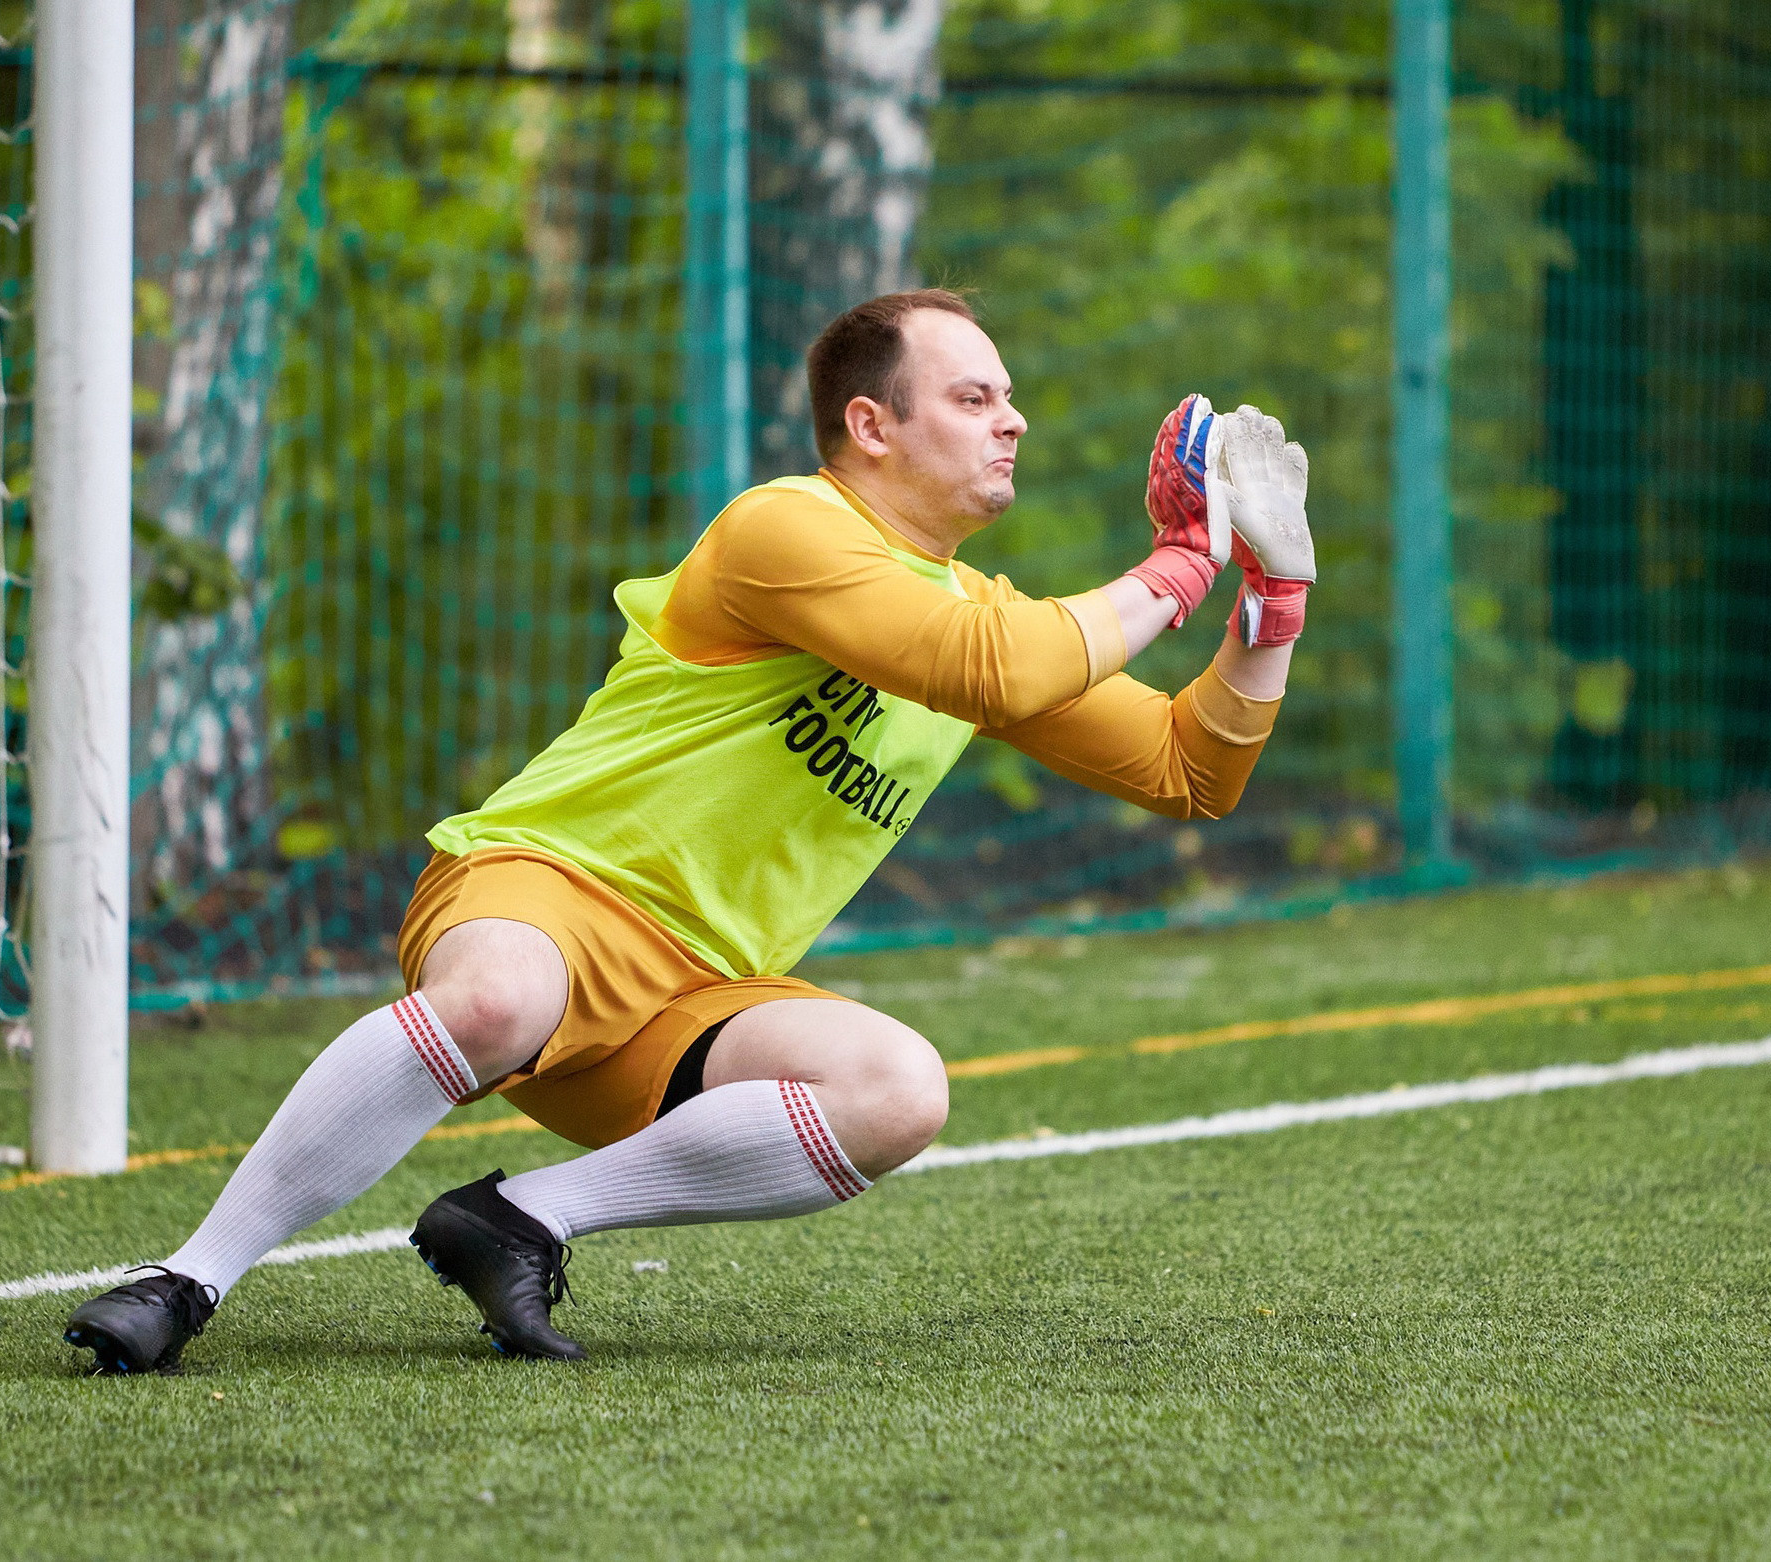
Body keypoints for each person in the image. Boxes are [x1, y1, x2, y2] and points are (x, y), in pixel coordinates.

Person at [63, 288, 1316, 1371]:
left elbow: (1186, 771)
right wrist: (1178, 563)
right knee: (499, 997)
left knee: (900, 1088)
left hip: (687, 998)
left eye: (1008, 398)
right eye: (976, 395)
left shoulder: (989, 618)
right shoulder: (790, 525)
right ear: (871, 426)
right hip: (544, 886)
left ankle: (524, 1217)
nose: (1015, 420)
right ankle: (187, 1278)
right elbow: (989, 666)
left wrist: (1273, 597)